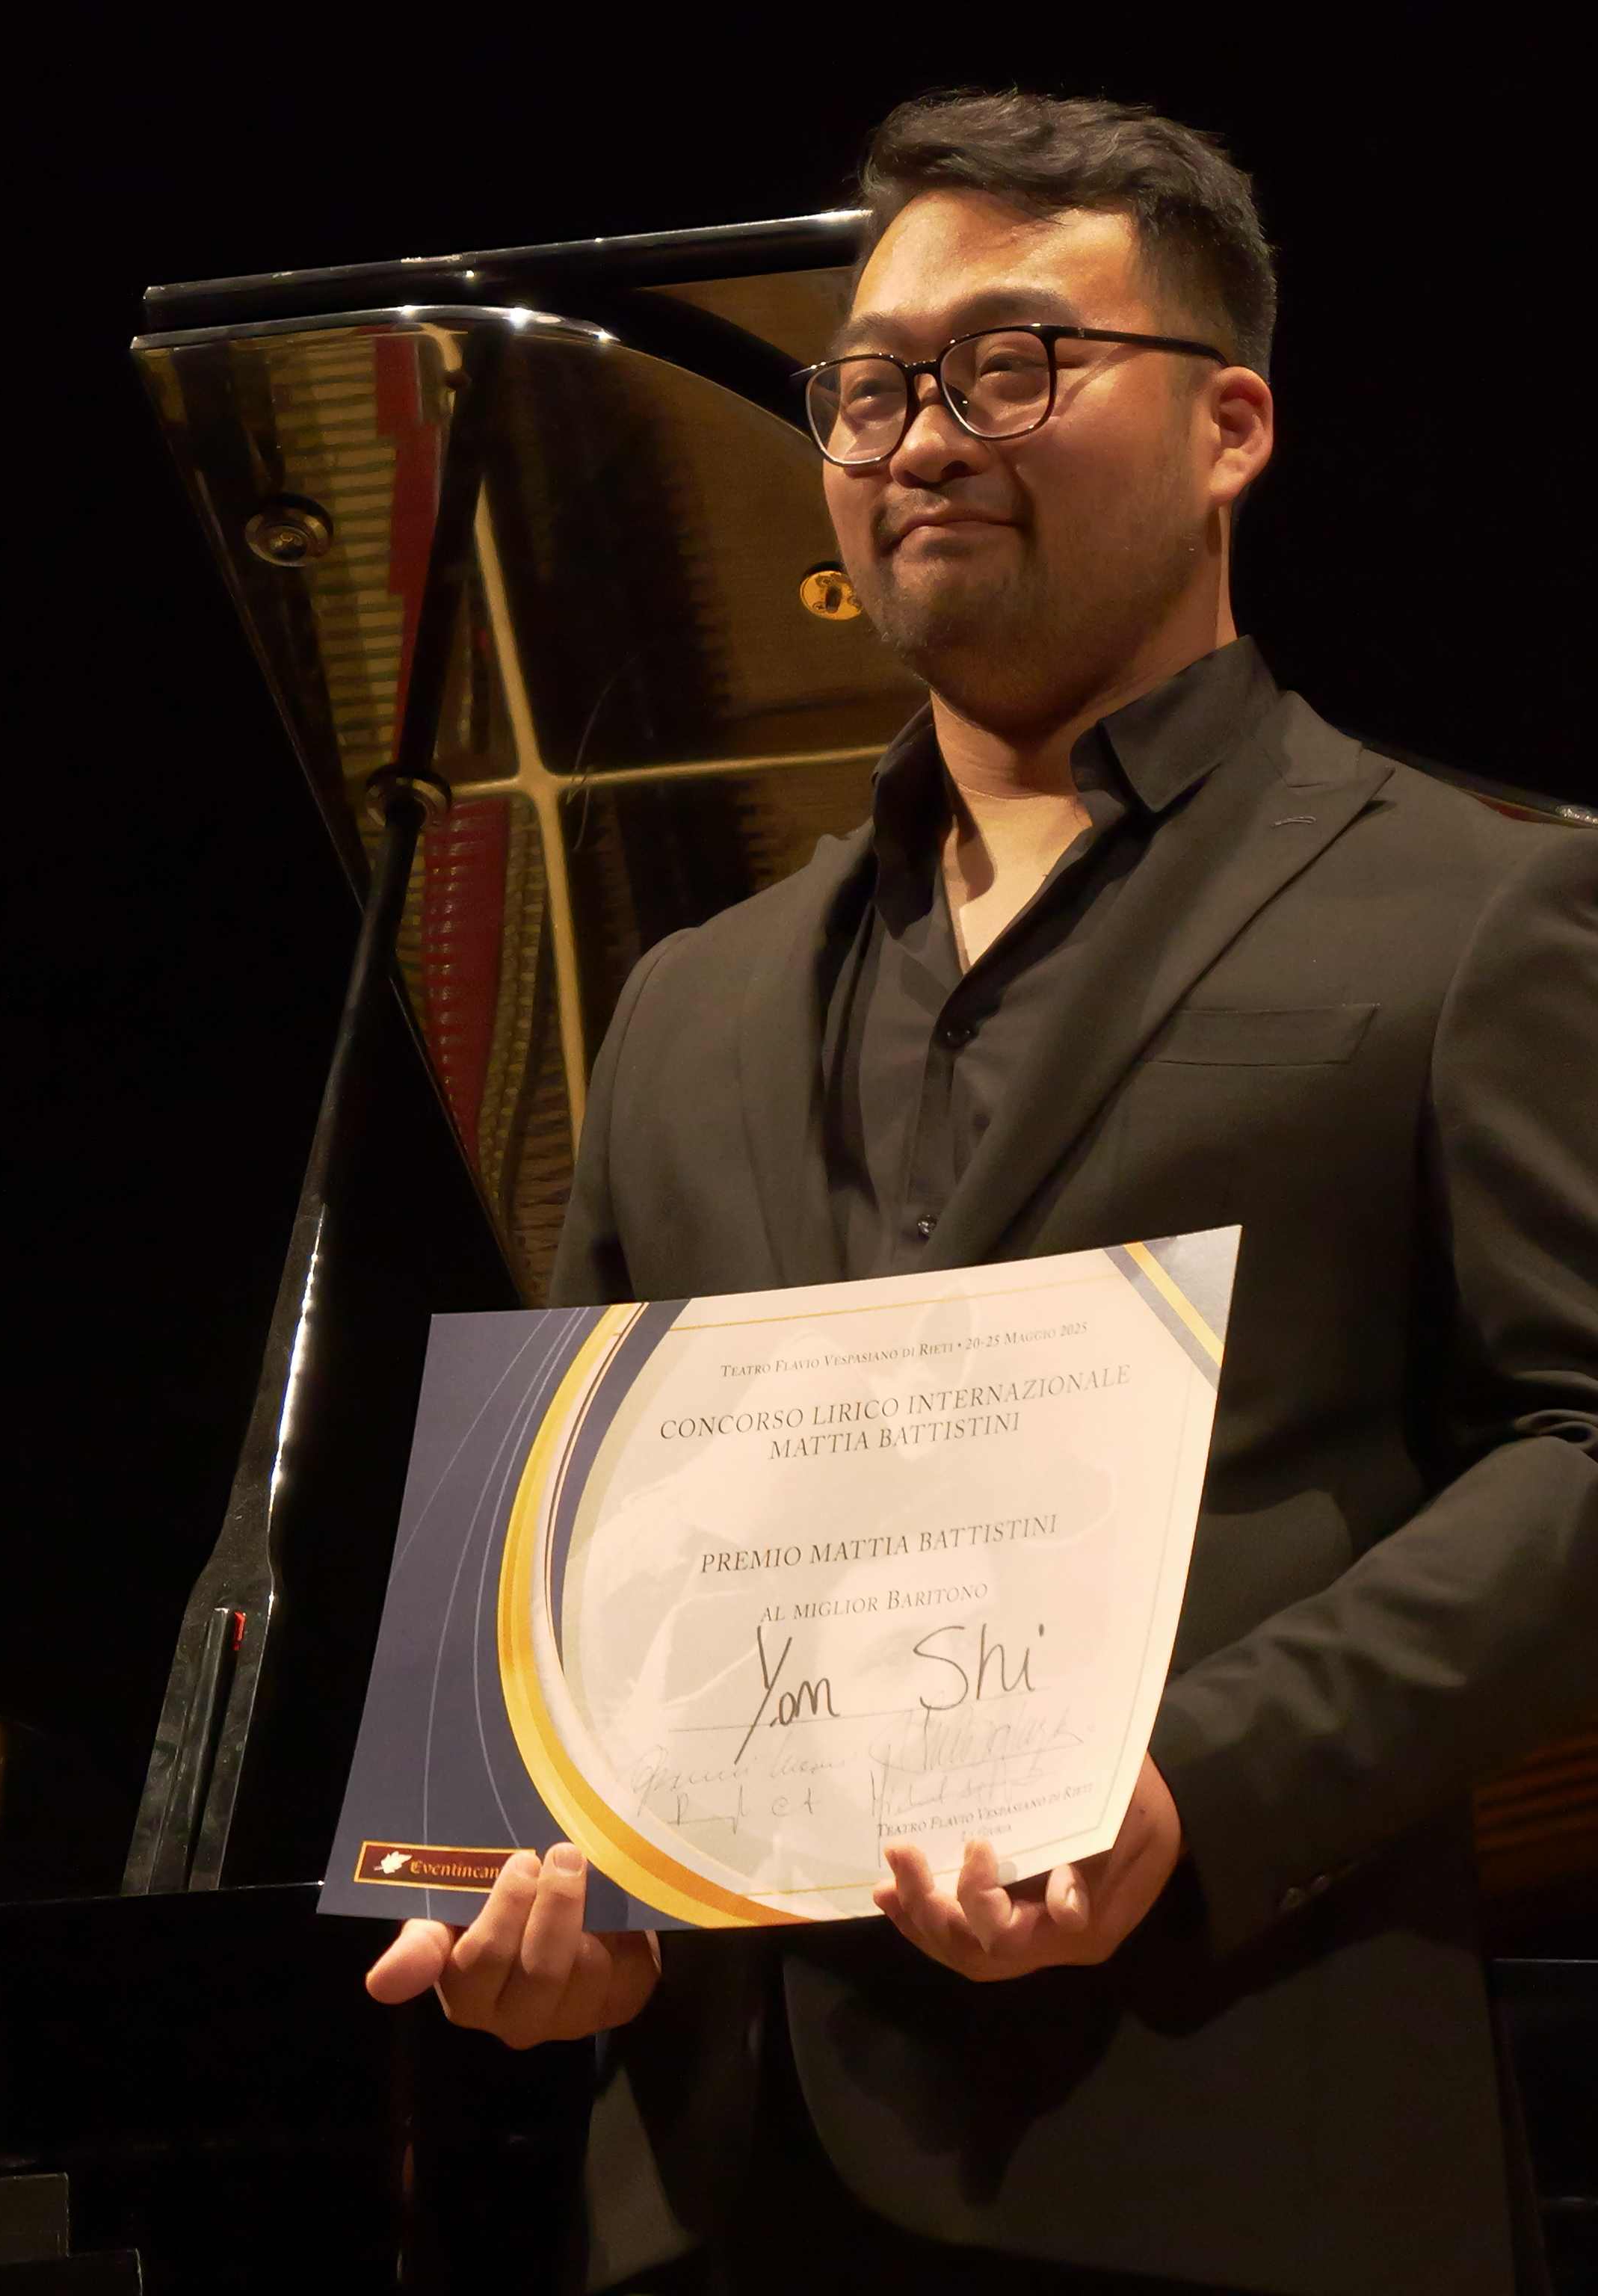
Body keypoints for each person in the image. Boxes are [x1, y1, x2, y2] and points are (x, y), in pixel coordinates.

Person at [363, 92, 1598, 2296]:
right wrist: (536, 1897)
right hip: (719, 2199)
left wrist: (1193, 1786)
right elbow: (576, 1572)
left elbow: (1582, 1447)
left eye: (1013, 365)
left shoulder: (1478, 908)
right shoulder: (686, 1002)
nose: (921, 435)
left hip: (1231, 2151)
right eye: (869, 386)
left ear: (1228, 427)